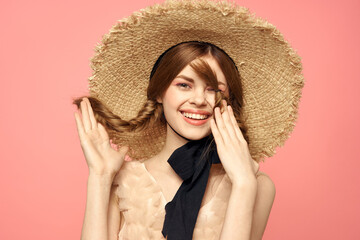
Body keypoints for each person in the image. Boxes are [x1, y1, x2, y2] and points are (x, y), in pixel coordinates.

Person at [72, 1, 304, 240]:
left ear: (228, 102)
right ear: (159, 92)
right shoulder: (121, 181)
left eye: (214, 89)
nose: (199, 100)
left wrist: (244, 185)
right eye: (184, 85)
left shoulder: (255, 184)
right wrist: (99, 176)